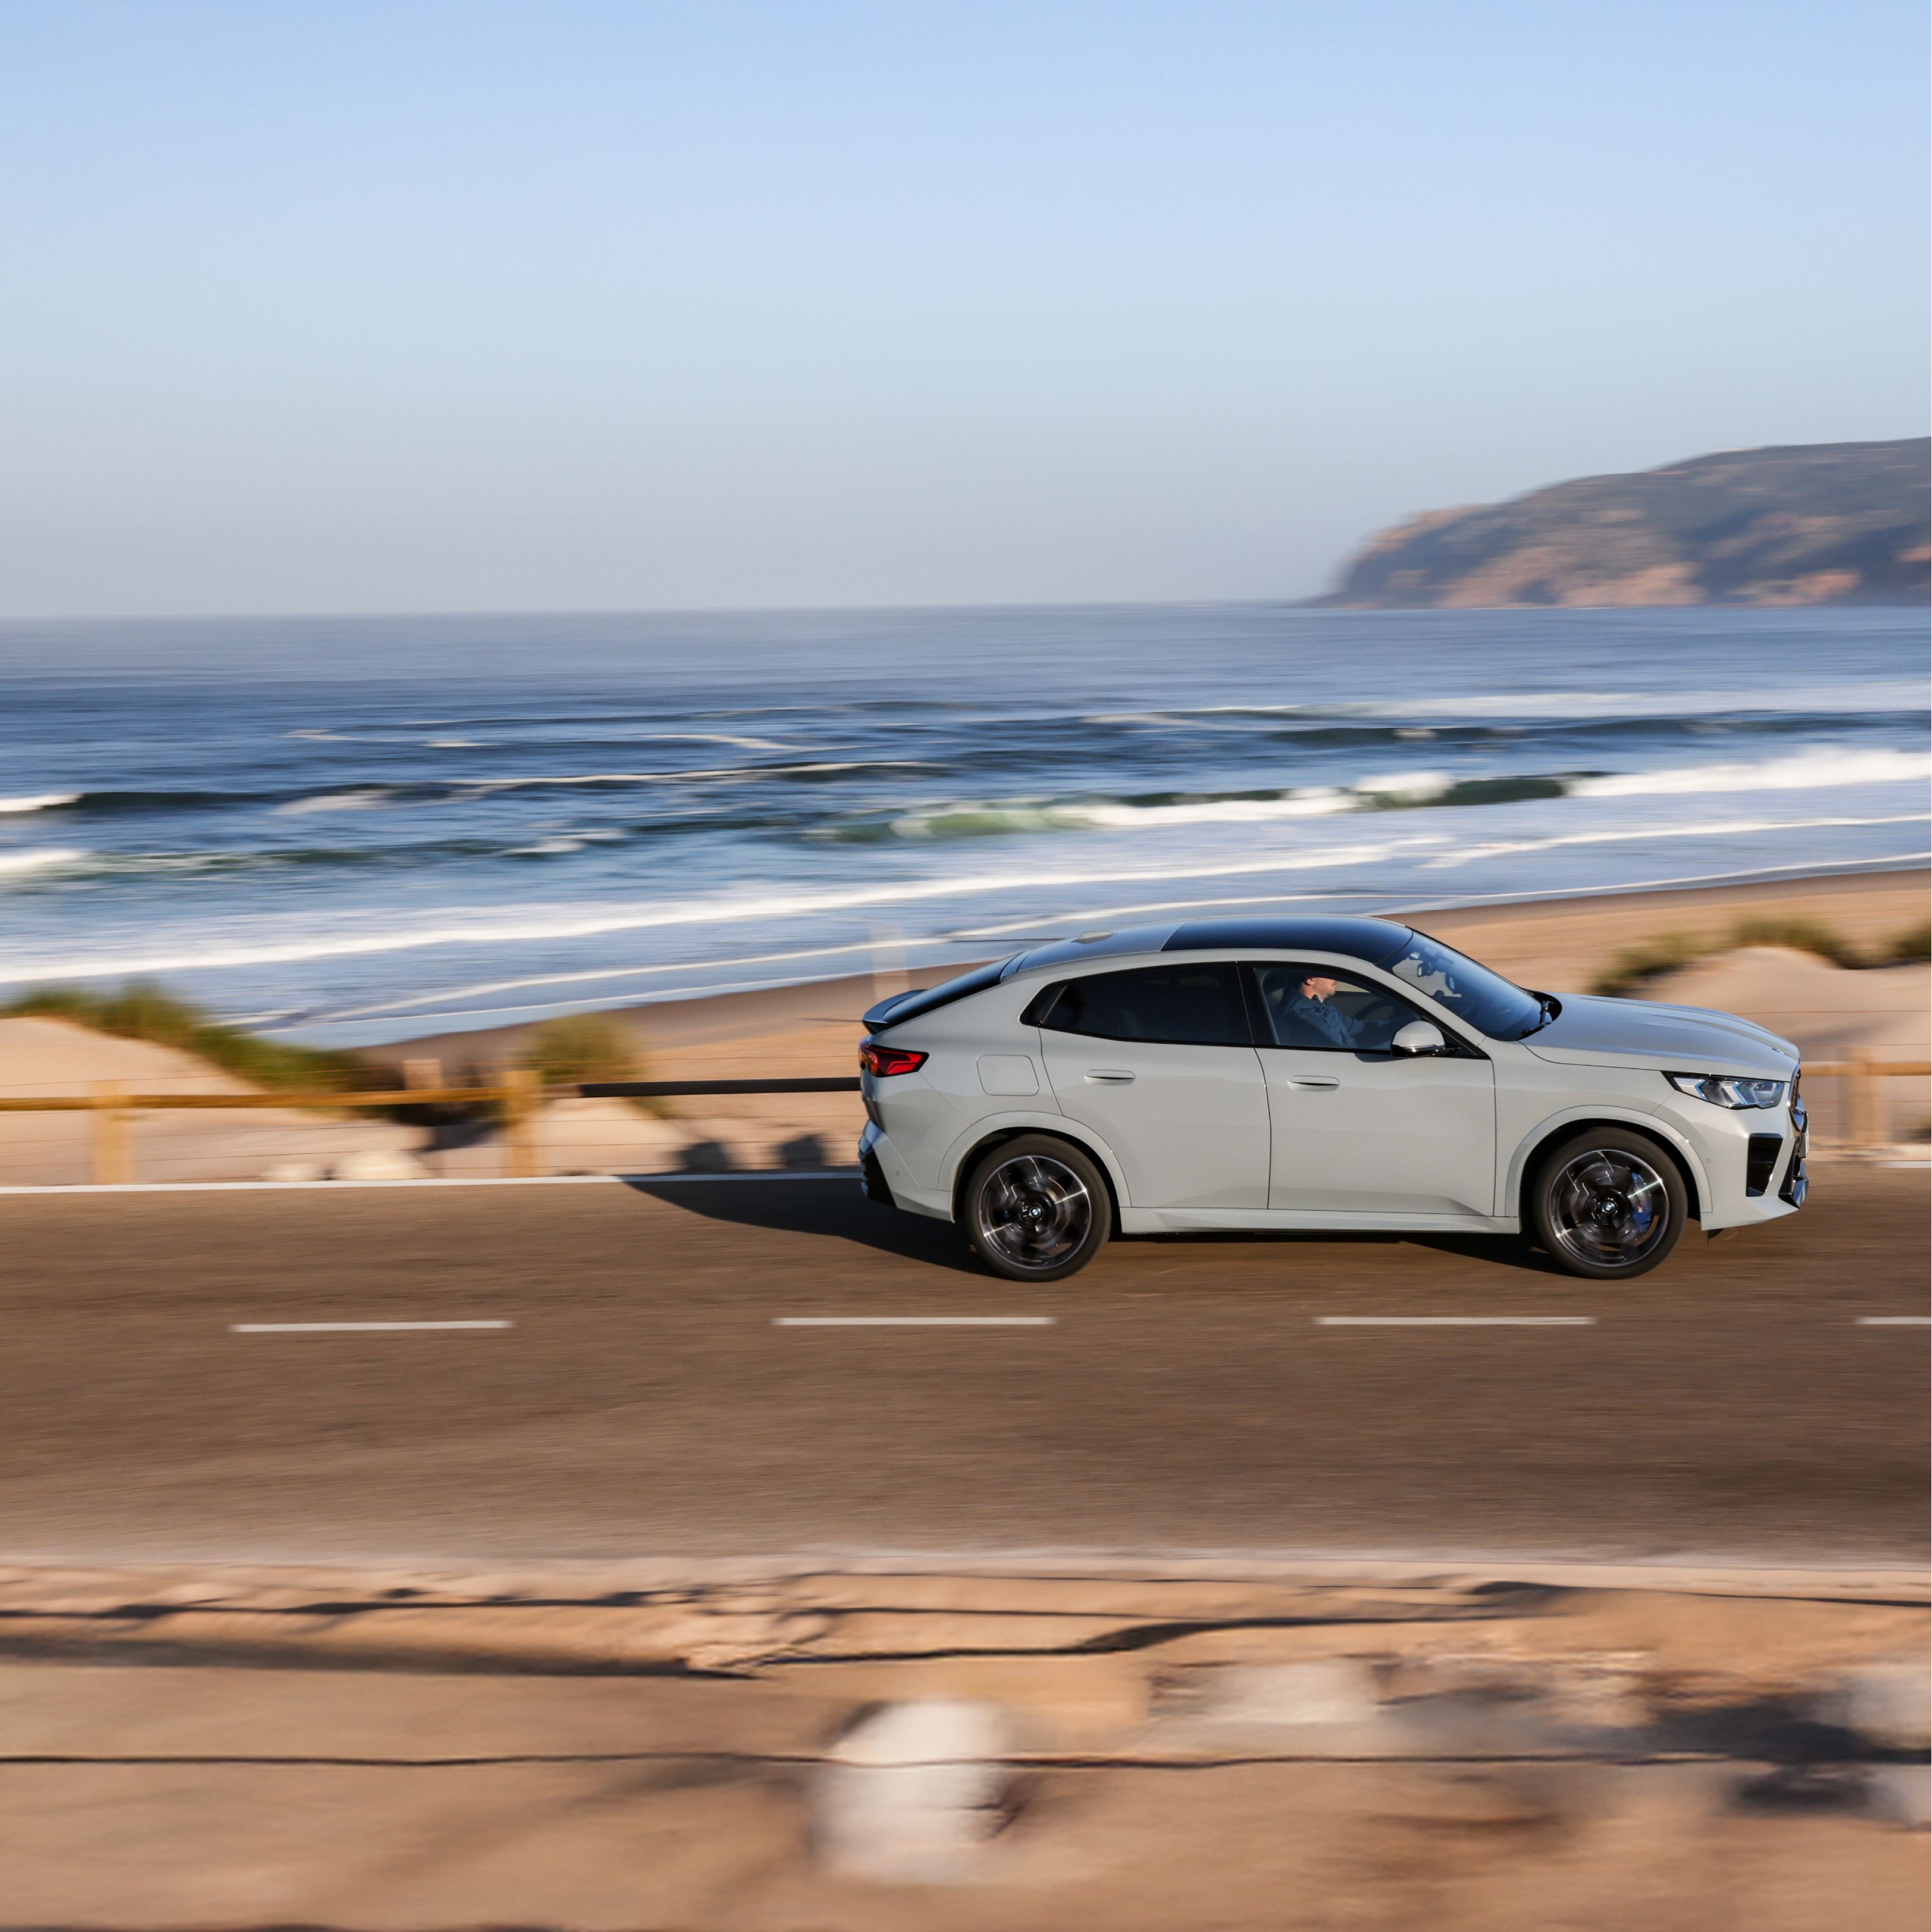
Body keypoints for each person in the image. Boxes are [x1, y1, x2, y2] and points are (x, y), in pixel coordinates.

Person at [1285, 973, 1363, 1048]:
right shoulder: (1304, 1017)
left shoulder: (1322, 1004)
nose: (1335, 980)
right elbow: (1338, 1051)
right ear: (1310, 980)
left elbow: (1353, 1026)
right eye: (1329, 975)